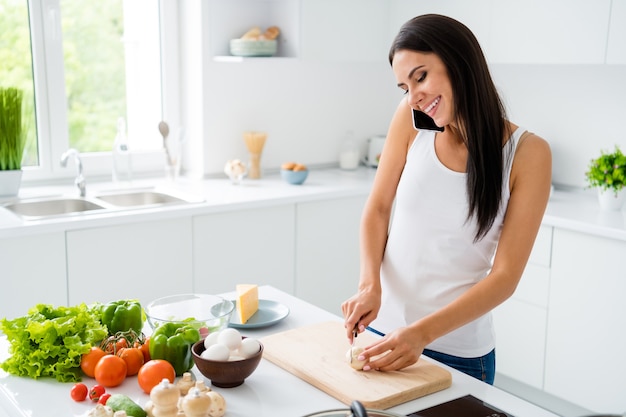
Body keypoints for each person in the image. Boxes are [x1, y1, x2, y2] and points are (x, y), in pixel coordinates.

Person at [341, 14, 552, 385]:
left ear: (460, 62)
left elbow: (504, 277)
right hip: (383, 335)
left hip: (459, 354)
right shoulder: (409, 120)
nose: (414, 96)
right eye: (404, 87)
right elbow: (377, 209)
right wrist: (368, 285)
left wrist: (422, 333)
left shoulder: (529, 154)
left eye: (421, 76)